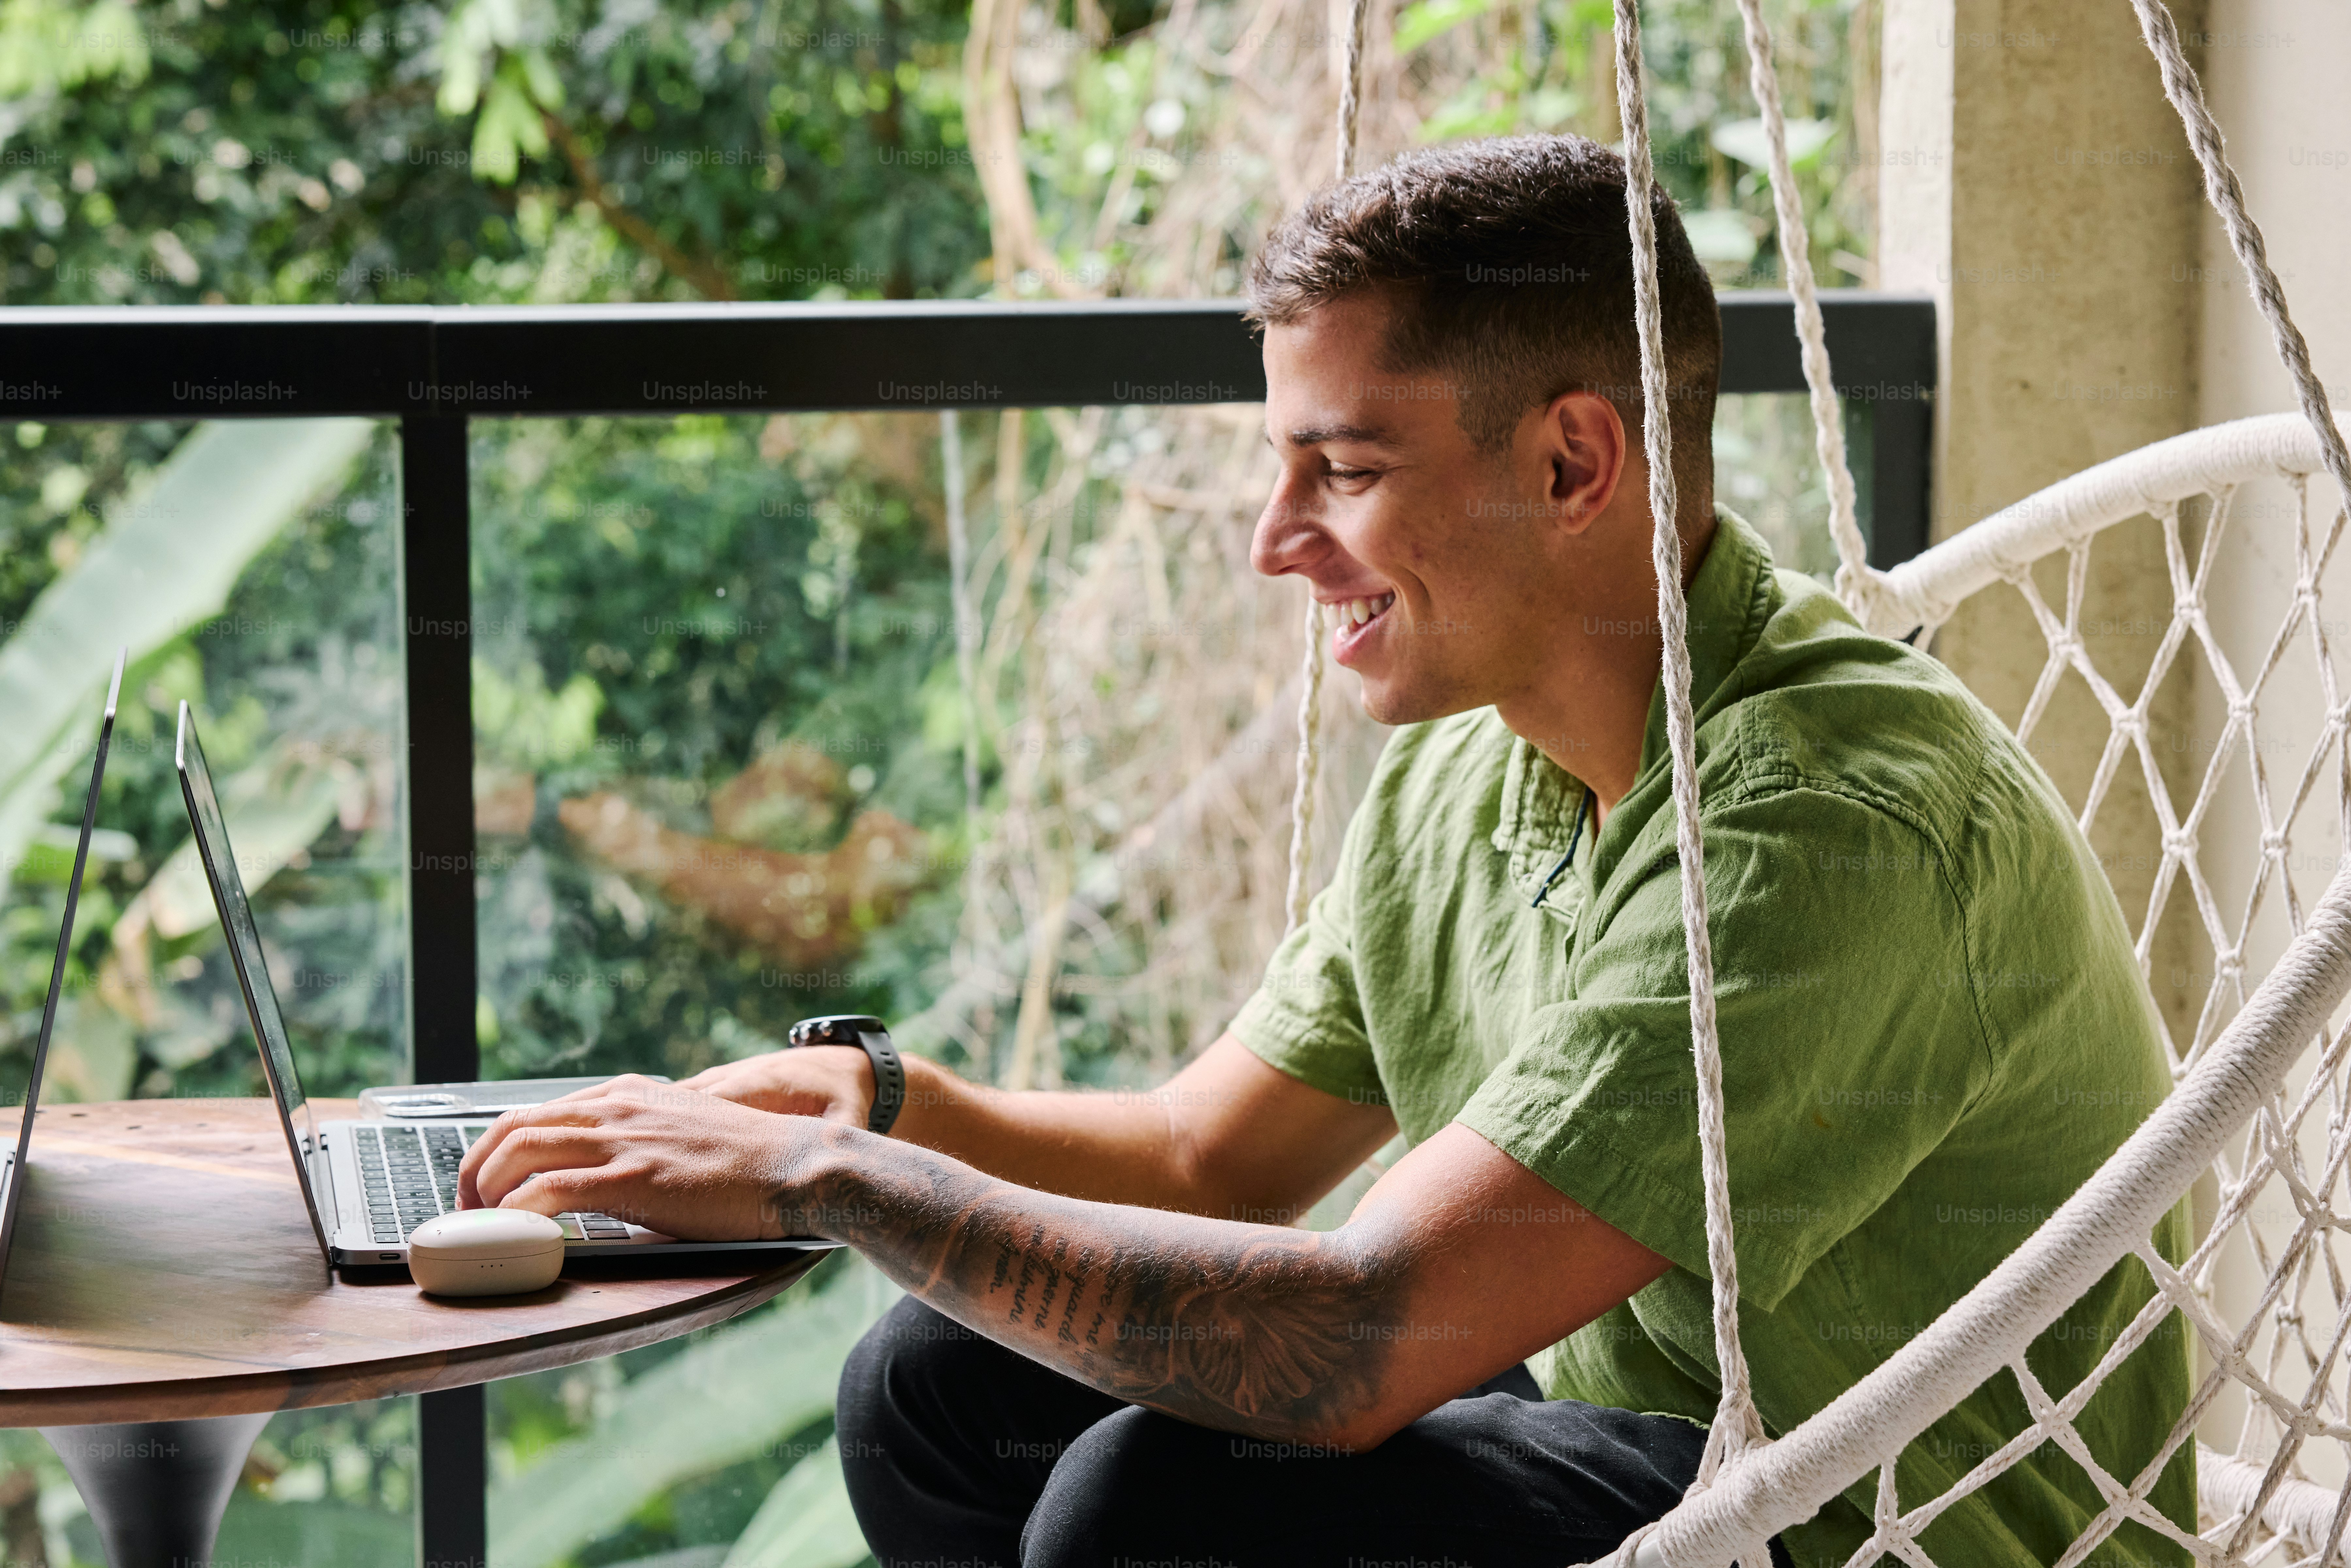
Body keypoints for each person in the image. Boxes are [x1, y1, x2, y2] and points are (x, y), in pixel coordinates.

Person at [456, 133, 2192, 1568]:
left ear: (1577, 460)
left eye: (1341, 470)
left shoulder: (1822, 821)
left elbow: (1366, 1333)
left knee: (1147, 1513)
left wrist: (832, 1190)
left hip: (1895, 1519)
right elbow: (1209, 1157)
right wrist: (875, 1106)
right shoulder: (1479, 756)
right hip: (1665, 1434)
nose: (1277, 543)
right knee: (935, 1377)